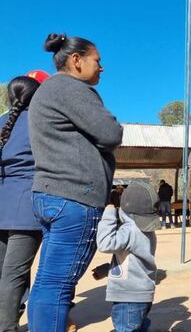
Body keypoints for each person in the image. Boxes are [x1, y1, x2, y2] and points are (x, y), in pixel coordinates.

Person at [27, 33, 123, 331]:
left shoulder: (51, 90)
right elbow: (111, 133)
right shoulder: (71, 87)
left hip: (53, 194)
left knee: (47, 282)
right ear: (76, 60)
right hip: (74, 197)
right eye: (97, 60)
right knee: (56, 286)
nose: (102, 67)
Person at [0, 74, 47, 331]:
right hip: (26, 208)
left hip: (2, 205)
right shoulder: (39, 121)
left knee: (5, 274)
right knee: (15, 275)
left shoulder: (1, 122)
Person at [97, 182, 160, 332]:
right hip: (141, 294)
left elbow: (104, 243)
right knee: (138, 325)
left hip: (128, 298)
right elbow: (134, 260)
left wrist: (109, 214)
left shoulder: (130, 230)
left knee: (126, 328)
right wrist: (108, 269)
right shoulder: (147, 232)